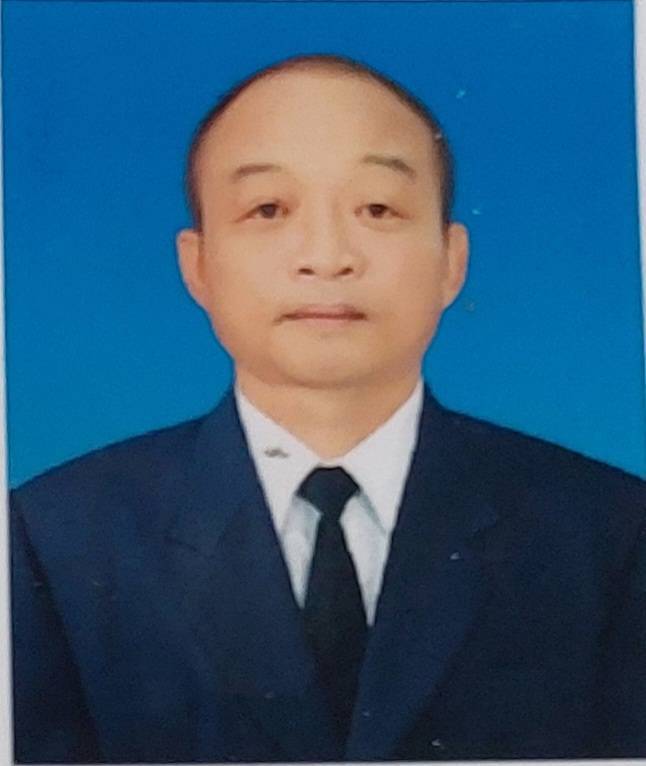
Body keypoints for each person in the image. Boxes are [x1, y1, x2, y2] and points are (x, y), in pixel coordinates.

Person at [9, 53, 646, 763]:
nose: (326, 256)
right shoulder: (52, 538)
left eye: (377, 209)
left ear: (451, 260)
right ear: (198, 265)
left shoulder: (611, 531)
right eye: (268, 210)